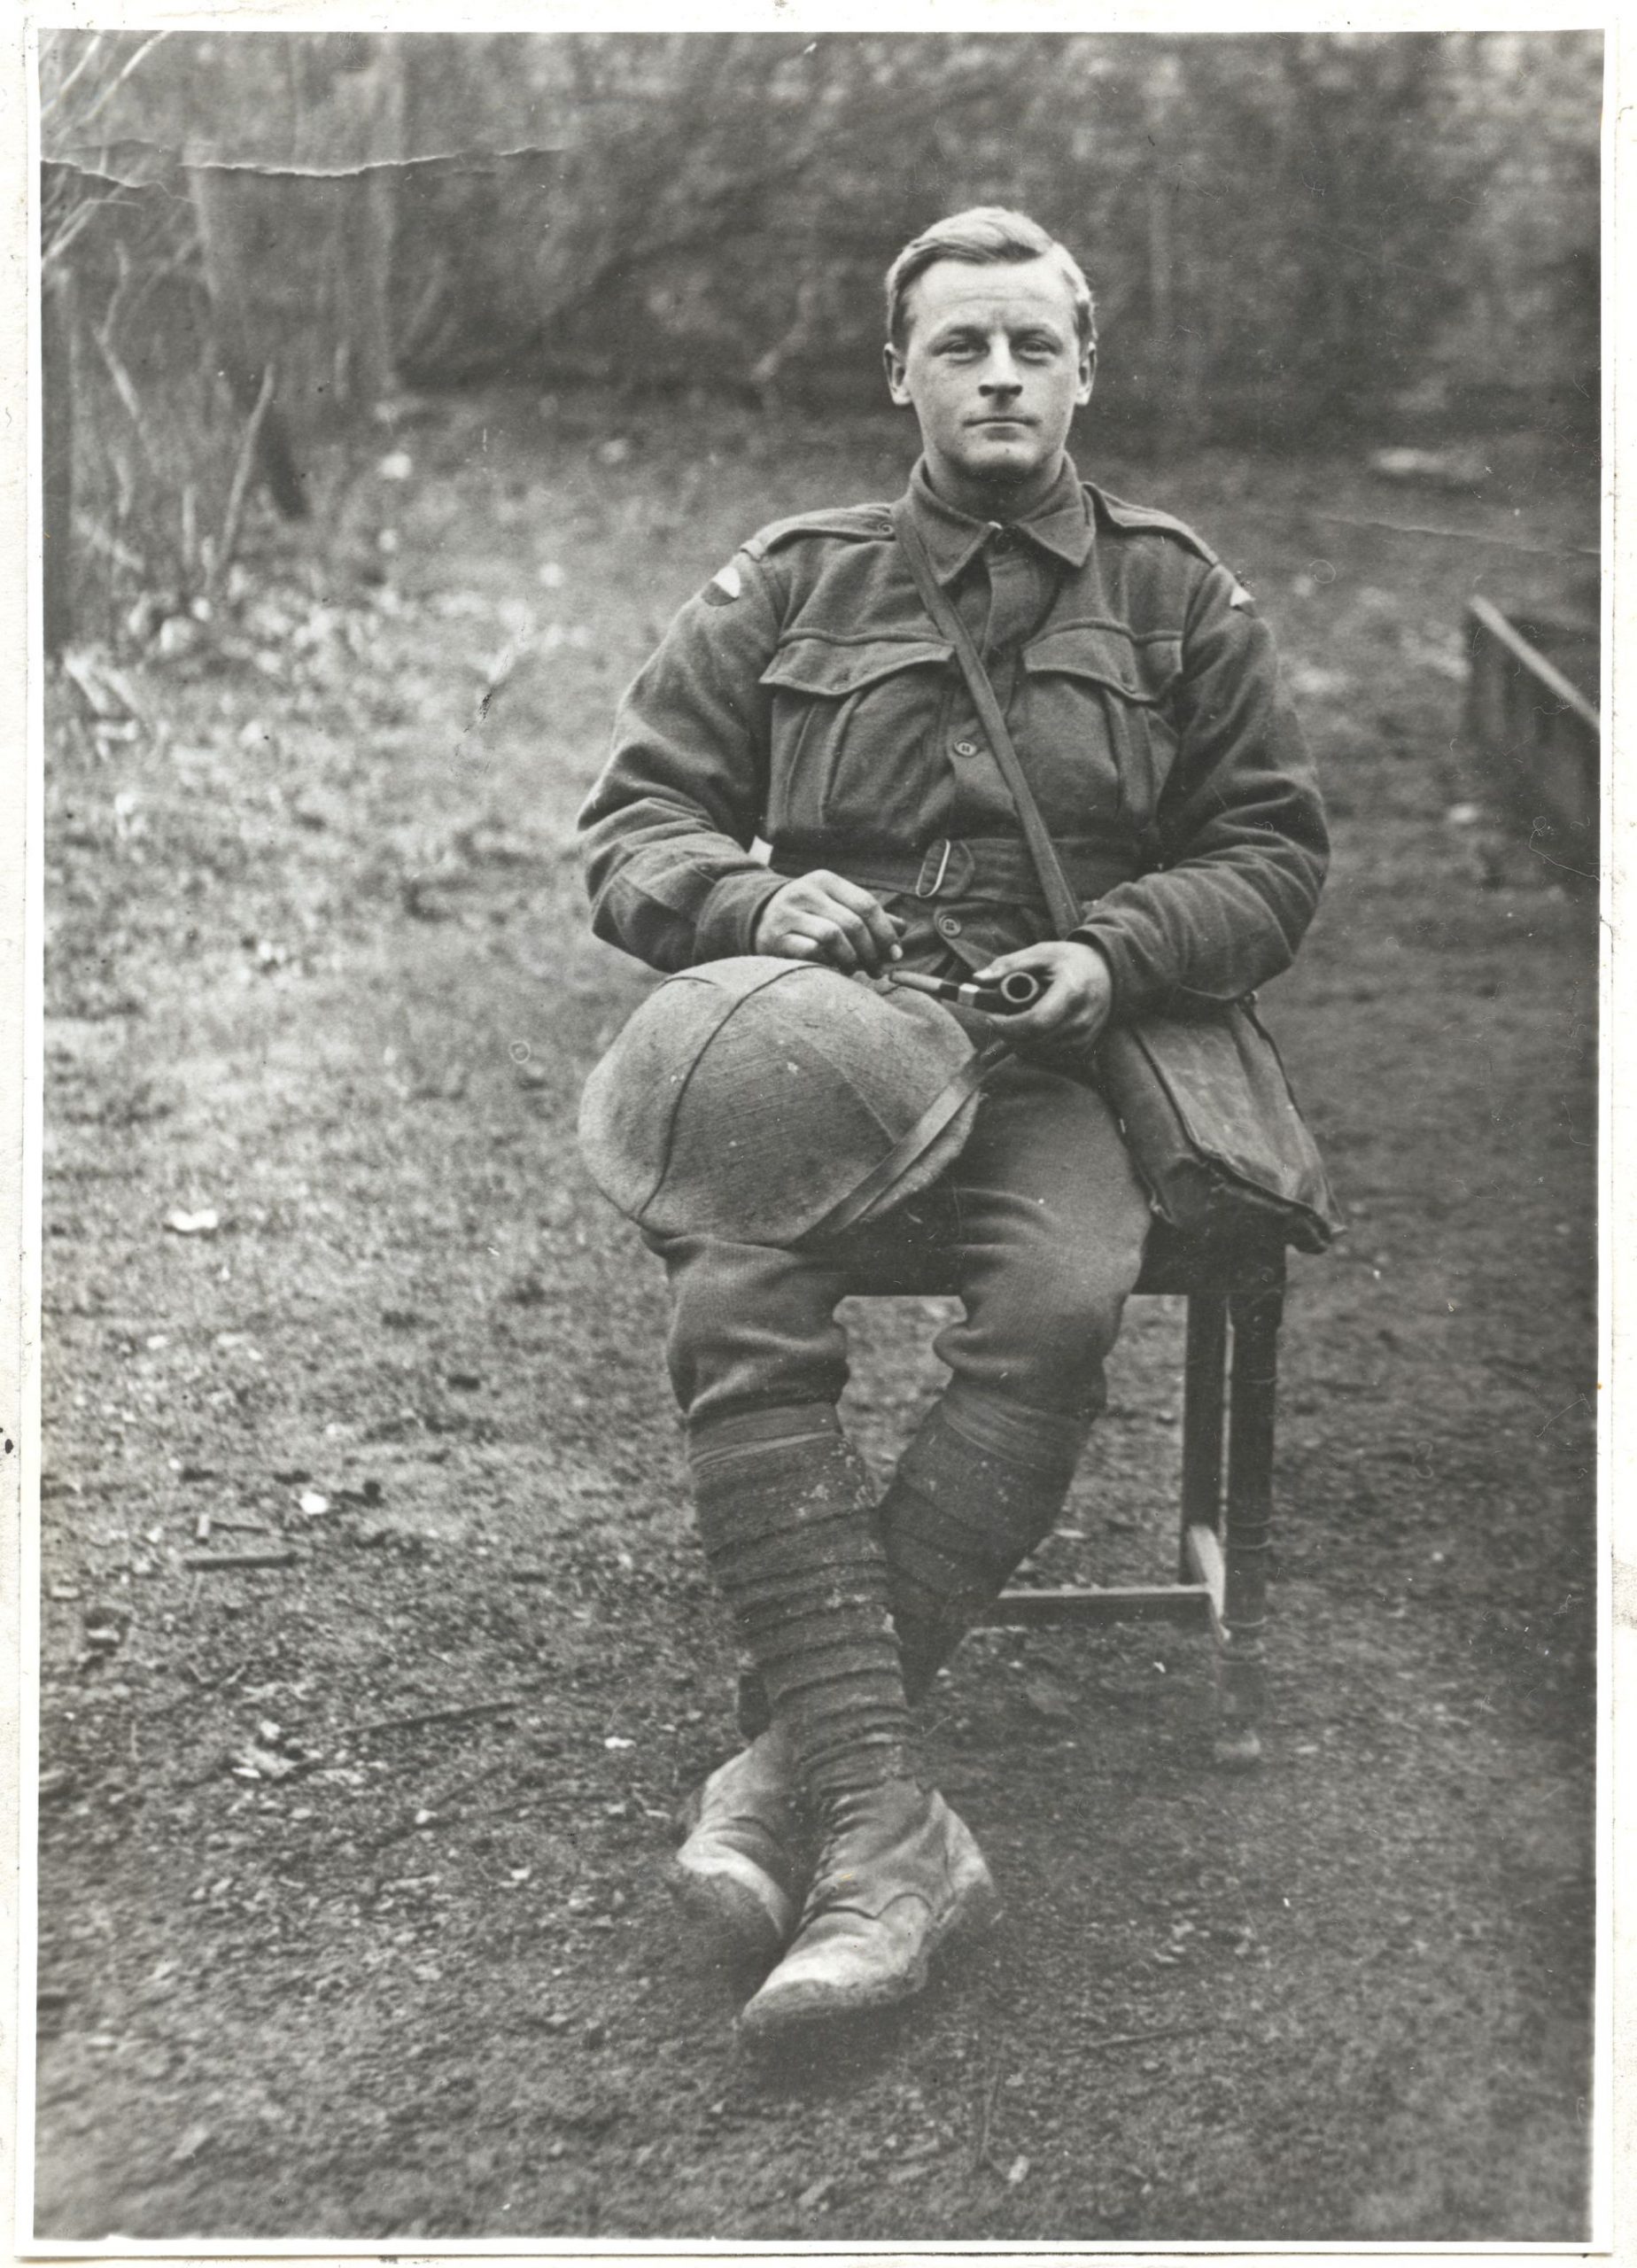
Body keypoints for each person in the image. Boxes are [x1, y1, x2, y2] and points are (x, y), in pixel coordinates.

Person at [577, 207, 1328, 2036]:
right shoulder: (788, 581)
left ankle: (800, 1774)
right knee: (727, 1304)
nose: (1001, 377)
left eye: (1034, 349)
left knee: (1060, 1300)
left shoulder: (1173, 591)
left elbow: (1276, 852)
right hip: (823, 1056)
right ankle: (891, 1825)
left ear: (1085, 371)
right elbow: (632, 833)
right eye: (963, 347)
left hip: (1061, 1066)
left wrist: (1113, 946)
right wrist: (758, 907)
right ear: (898, 372)